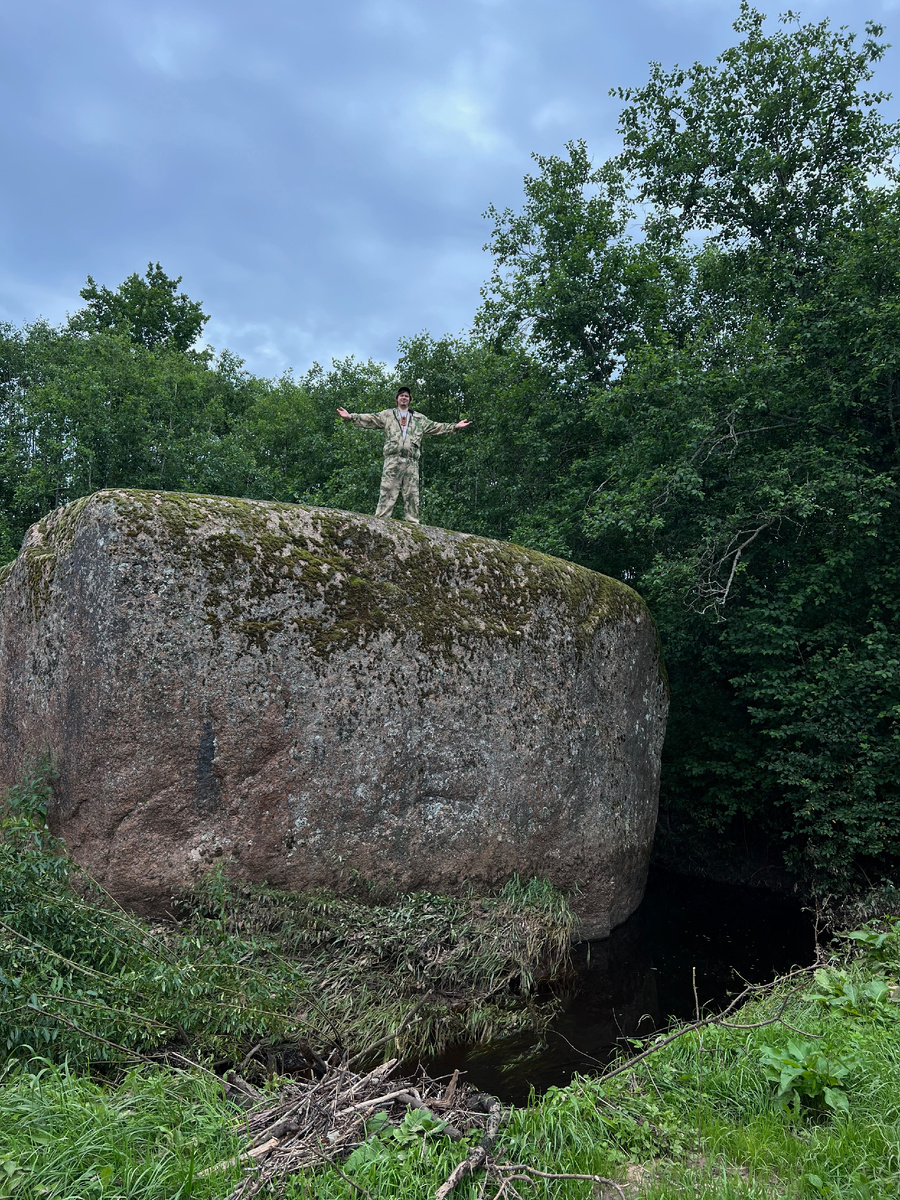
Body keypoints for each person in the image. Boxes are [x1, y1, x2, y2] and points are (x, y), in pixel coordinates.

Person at [337, 387, 471, 525]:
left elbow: (436, 426)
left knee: (412, 494)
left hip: (411, 461)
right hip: (392, 459)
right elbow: (371, 418)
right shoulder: (387, 415)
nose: (404, 398)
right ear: (397, 399)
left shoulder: (420, 419)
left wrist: (455, 426)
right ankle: (381, 522)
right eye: (401, 395)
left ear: (410, 400)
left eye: (406, 396)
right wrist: (351, 416)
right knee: (387, 490)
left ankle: (413, 524)